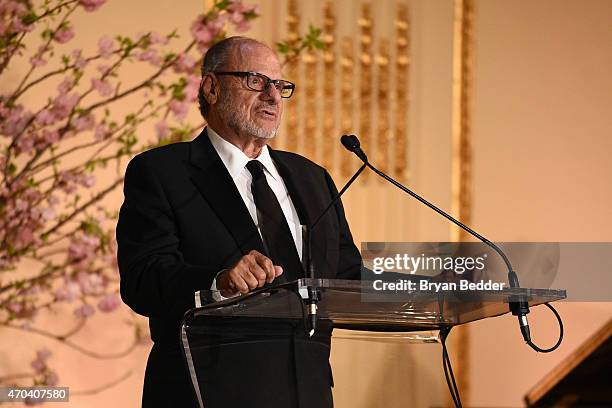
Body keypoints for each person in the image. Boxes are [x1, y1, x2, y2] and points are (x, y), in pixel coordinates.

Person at [116, 36, 361, 407]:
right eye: (255, 81)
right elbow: (144, 279)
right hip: (206, 393)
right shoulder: (162, 172)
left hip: (307, 392)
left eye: (280, 86)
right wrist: (219, 282)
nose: (272, 96)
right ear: (212, 88)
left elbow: (349, 277)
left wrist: (438, 285)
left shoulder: (312, 178)